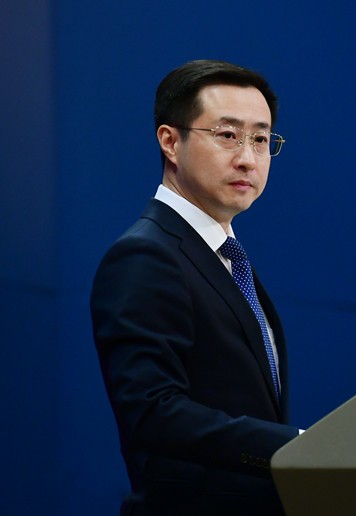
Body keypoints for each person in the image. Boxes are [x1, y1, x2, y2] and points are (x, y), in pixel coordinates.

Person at [90, 59, 300, 515]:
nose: (248, 158)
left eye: (260, 139)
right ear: (170, 141)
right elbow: (153, 411)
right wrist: (297, 448)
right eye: (227, 135)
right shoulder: (145, 255)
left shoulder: (225, 256)